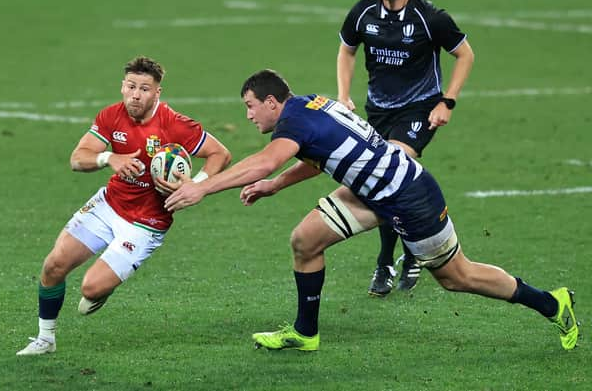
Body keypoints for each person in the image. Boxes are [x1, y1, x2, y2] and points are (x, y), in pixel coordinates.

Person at [164, 69, 578, 352]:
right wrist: (275, 186)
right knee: (305, 240)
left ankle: (551, 303)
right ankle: (306, 333)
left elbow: (264, 161)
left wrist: (205, 188)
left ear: (272, 102)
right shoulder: (310, 105)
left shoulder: (296, 122)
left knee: (457, 277)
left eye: (251, 106)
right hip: (370, 191)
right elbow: (317, 157)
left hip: (411, 196)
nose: (249, 115)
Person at [16, 56, 232, 355]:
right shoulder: (110, 117)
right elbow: (78, 159)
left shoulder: (175, 125)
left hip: (147, 221)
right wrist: (109, 158)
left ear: (157, 93)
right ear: (122, 87)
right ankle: (45, 339)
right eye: (131, 86)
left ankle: (105, 285)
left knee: (91, 289)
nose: (136, 94)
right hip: (109, 204)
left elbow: (220, 153)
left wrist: (197, 183)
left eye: (144, 88)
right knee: (54, 265)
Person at [337, 0, 475, 296]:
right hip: (378, 111)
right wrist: (343, 95)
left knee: (388, 170)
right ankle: (410, 253)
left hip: (419, 110)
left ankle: (386, 261)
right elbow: (347, 49)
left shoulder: (430, 17)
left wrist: (447, 102)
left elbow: (465, 55)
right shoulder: (363, 12)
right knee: (386, 183)